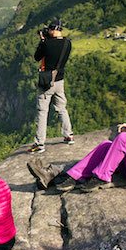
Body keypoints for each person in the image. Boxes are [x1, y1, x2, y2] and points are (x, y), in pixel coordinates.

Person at [29, 19, 74, 154]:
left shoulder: (46, 44)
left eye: (49, 29)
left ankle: (40, 143)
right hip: (59, 81)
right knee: (61, 108)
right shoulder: (68, 43)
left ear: (53, 29)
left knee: (42, 112)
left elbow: (37, 57)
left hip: (46, 82)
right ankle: (68, 135)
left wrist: (42, 40)